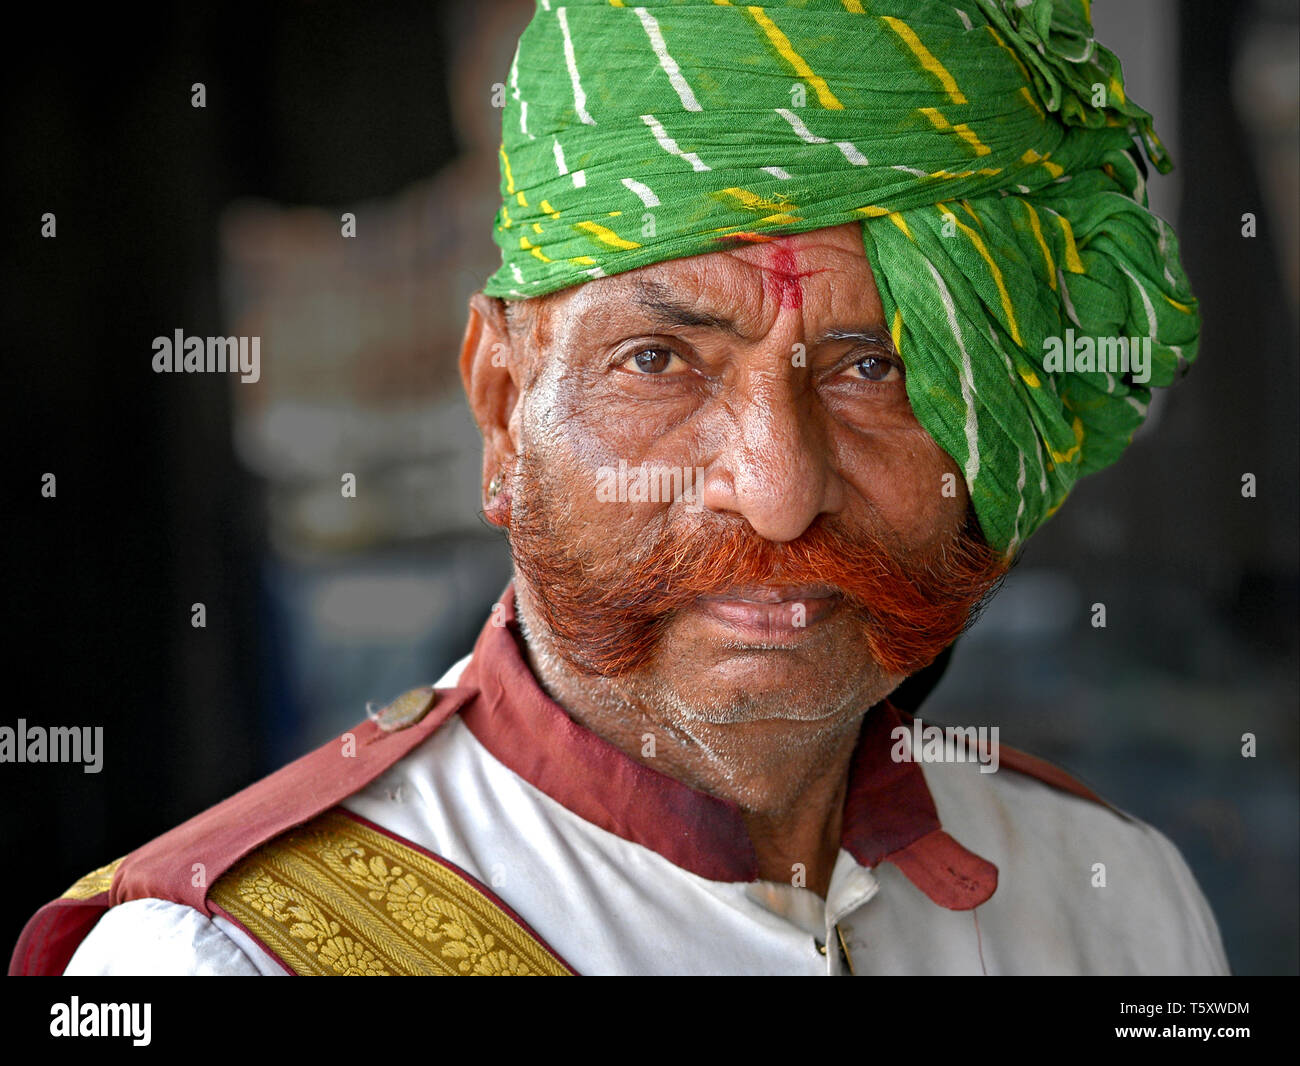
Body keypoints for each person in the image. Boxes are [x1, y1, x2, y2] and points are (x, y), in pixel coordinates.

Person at [11, 0, 1227, 976]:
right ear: (501, 403)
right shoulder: (216, 957)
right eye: (659, 361)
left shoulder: (1113, 898)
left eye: (876, 369)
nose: (776, 490)